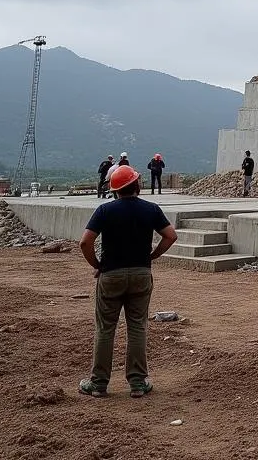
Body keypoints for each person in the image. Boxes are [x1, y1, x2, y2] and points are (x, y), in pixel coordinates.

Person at [77, 165, 178, 398]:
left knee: (105, 329)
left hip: (111, 275)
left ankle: (99, 383)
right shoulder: (151, 209)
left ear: (114, 190)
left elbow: (85, 242)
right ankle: (138, 383)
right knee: (137, 327)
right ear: (136, 185)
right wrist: (152, 256)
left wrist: (97, 265)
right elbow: (171, 236)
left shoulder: (104, 211)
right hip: (141, 275)